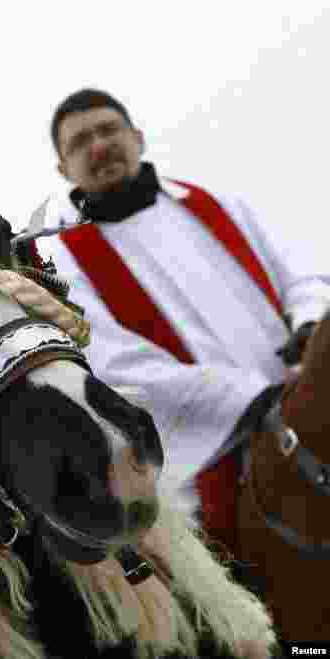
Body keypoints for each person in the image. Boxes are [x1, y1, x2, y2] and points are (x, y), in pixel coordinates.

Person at [34, 88, 330, 556]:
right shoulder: (62, 263)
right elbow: (117, 365)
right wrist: (249, 399)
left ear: (138, 137)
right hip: (225, 453)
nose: (98, 146)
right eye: (79, 142)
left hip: (311, 401)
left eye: (109, 130)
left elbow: (301, 272)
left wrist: (311, 326)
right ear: (62, 169)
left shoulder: (215, 202)